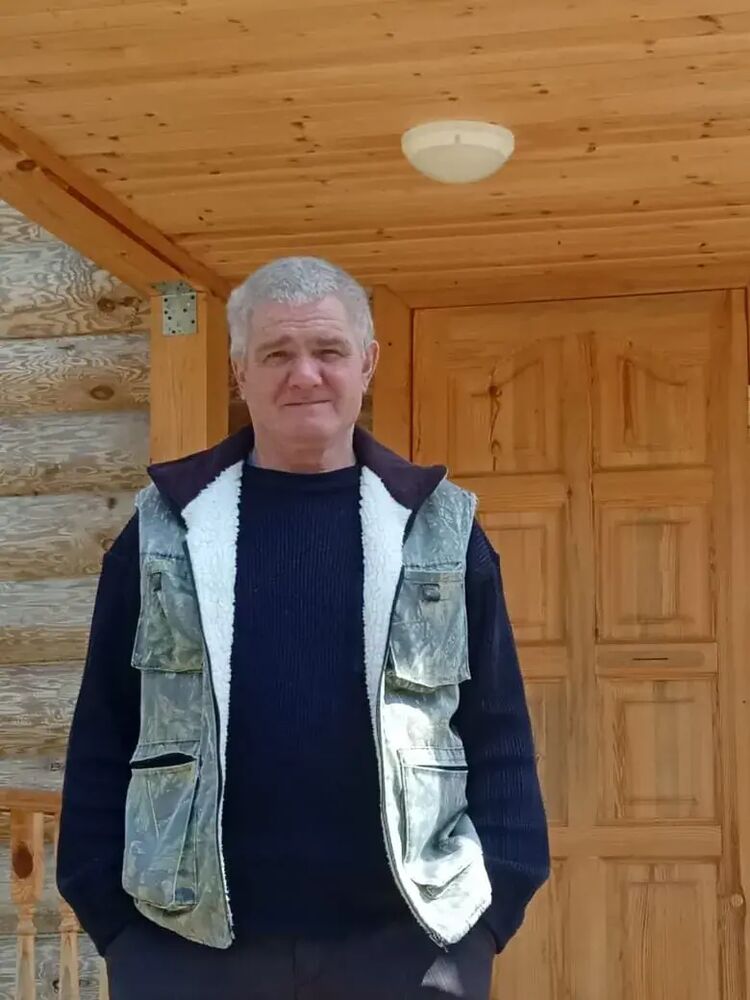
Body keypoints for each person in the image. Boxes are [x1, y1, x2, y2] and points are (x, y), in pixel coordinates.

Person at [57, 256, 550, 1000]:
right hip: (186, 949)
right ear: (239, 372)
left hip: (408, 948)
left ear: (367, 363)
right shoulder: (164, 532)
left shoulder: (439, 530)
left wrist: (485, 921)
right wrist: (118, 927)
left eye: (328, 351)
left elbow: (498, 730)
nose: (305, 375)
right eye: (277, 354)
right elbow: (103, 729)